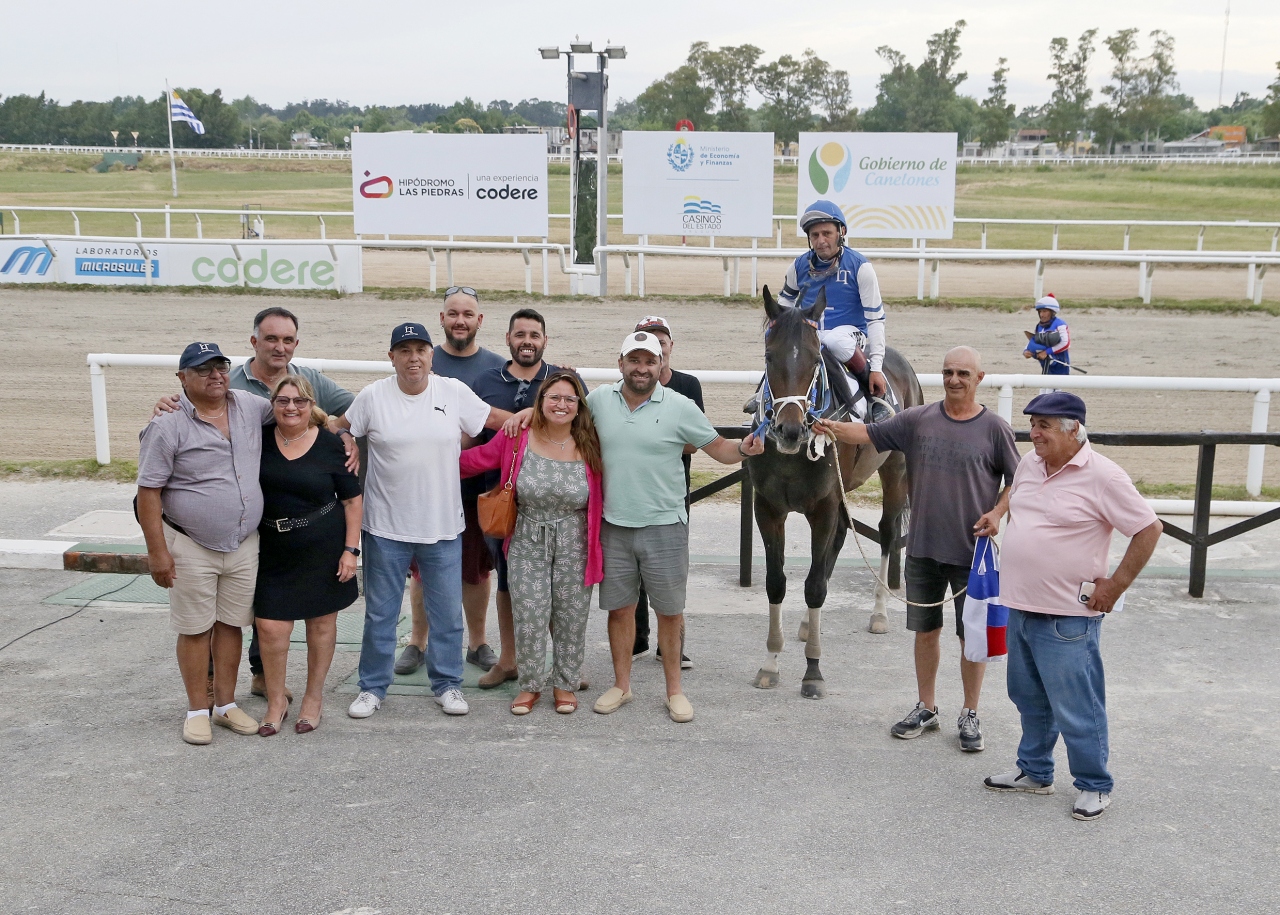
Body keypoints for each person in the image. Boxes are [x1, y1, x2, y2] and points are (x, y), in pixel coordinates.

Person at [815, 346, 1020, 752]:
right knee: (925, 633)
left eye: (963, 373)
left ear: (979, 378)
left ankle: (970, 712)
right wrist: (828, 427)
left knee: (971, 637)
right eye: (948, 372)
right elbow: (867, 434)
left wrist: (998, 512)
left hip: (972, 554)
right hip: (923, 549)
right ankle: (926, 707)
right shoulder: (917, 420)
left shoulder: (996, 429)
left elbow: (1019, 480)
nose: (954, 380)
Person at [154, 306, 359, 701]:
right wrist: (168, 403)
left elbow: (354, 409)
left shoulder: (310, 378)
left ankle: (260, 675)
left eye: (287, 340)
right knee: (226, 613)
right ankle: (210, 686)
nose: (279, 347)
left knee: (252, 608)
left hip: (266, 521)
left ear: (296, 344)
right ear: (254, 341)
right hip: (223, 523)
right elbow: (190, 403)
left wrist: (341, 433)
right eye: (271, 339)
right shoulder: (224, 380)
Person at [984, 392, 1161, 821]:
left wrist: (1116, 586)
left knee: (1078, 706)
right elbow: (1019, 501)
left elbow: (1148, 528)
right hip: (1019, 606)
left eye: (1044, 426)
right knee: (1028, 697)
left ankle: (1094, 784)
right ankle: (1034, 771)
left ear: (1073, 429)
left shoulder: (1104, 476)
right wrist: (1000, 515)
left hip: (1068, 617)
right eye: (1032, 424)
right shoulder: (1029, 465)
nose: (1034, 433)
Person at [575, 331, 762, 723]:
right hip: (613, 525)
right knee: (620, 611)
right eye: (634, 360)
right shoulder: (598, 401)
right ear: (621, 363)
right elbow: (559, 422)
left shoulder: (680, 406)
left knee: (670, 613)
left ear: (661, 365)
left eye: (649, 361)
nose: (641, 368)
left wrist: (744, 448)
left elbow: (719, 448)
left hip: (665, 527)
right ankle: (621, 685)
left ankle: (674, 691)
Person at [335, 322, 511, 719]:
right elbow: (340, 426)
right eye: (404, 351)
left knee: (447, 614)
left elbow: (495, 420)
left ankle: (447, 684)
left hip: (443, 526)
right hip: (385, 528)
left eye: (420, 350)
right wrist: (344, 437)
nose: (413, 358)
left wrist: (539, 415)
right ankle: (372, 688)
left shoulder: (452, 391)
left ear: (432, 355)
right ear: (391, 357)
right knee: (380, 614)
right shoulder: (373, 395)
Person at [136, 342, 273, 746]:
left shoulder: (250, 405)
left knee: (232, 624)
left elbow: (293, 410)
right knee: (195, 628)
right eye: (203, 369)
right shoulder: (167, 424)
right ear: (182, 378)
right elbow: (148, 492)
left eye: (220, 366)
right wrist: (157, 553)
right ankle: (197, 710)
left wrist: (341, 435)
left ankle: (225, 705)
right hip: (190, 543)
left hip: (243, 542)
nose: (215, 375)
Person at [460, 371, 604, 715]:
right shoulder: (518, 436)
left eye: (569, 399)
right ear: (541, 401)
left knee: (571, 615)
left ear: (579, 406)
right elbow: (474, 461)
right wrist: (422, 456)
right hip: (527, 537)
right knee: (529, 613)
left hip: (575, 541)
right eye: (554, 397)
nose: (561, 404)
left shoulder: (592, 442)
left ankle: (565, 684)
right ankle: (530, 685)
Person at [393, 287, 508, 682]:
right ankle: (417, 642)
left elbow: (498, 419)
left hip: (474, 488)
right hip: (425, 488)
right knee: (422, 571)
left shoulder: (496, 366)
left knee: (476, 570)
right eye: (453, 313)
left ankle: (477, 643)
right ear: (441, 318)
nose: (460, 320)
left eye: (468, 314)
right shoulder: (421, 359)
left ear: (480, 320)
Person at [466, 307, 579, 688]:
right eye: (520, 335)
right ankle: (510, 660)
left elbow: (586, 422)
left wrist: (534, 411)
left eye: (534, 335)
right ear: (508, 339)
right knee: (508, 583)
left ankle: (564, 666)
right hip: (503, 503)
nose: (527, 341)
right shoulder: (485, 380)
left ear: (545, 340)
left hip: (557, 505)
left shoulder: (564, 379)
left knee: (559, 590)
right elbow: (470, 434)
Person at [253, 375, 363, 736]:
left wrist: (350, 551)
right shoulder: (258, 439)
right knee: (270, 627)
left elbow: (352, 501)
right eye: (283, 401)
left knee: (320, 625)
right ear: (273, 405)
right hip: (272, 548)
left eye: (299, 401)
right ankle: (276, 701)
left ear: (311, 405)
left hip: (323, 546)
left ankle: (313, 698)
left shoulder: (332, 445)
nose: (291, 408)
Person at [630, 315, 702, 669]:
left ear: (670, 346)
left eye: (661, 340)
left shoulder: (688, 385)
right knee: (633, 570)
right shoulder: (628, 384)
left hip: (672, 491)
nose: (656, 345)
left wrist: (656, 439)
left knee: (670, 572)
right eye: (648, 339)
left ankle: (671, 645)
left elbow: (695, 440)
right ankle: (637, 636)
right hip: (632, 488)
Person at [779, 199, 892, 423]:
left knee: (835, 340)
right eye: (815, 235)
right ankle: (765, 395)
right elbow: (784, 301)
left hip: (850, 336)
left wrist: (877, 368)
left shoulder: (860, 267)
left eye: (827, 233)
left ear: (842, 232)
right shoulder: (799, 266)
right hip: (811, 335)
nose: (821, 241)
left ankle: (875, 397)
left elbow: (875, 319)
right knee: (777, 340)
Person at [1023, 294, 1070, 380]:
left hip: (1060, 366)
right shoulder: (1039, 326)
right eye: (1040, 311)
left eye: (1044, 311)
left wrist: (1046, 352)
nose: (1041, 314)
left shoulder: (1060, 324)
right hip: (1046, 366)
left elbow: (1065, 343)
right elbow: (1034, 340)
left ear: (1052, 312)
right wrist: (1026, 351)